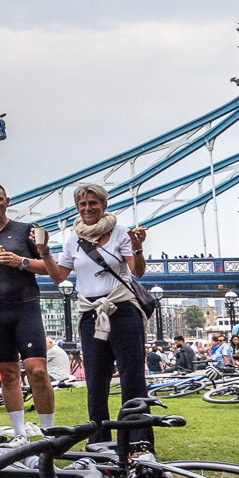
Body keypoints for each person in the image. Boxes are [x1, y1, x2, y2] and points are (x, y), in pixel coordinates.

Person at [37, 183, 150, 452]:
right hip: (90, 314)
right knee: (96, 383)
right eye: (82, 204)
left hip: (122, 310)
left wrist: (137, 248)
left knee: (132, 379)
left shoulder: (121, 233)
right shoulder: (73, 239)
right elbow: (59, 277)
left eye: (93, 203)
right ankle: (99, 444)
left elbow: (138, 272)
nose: (87, 208)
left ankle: (139, 442)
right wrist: (44, 253)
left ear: (104, 205)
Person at [0, 183, 55, 439]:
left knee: (37, 370)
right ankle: (20, 435)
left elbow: (50, 268)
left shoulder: (26, 231)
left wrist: (22, 262)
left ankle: (50, 434)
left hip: (25, 307)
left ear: (7, 201)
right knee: (7, 374)